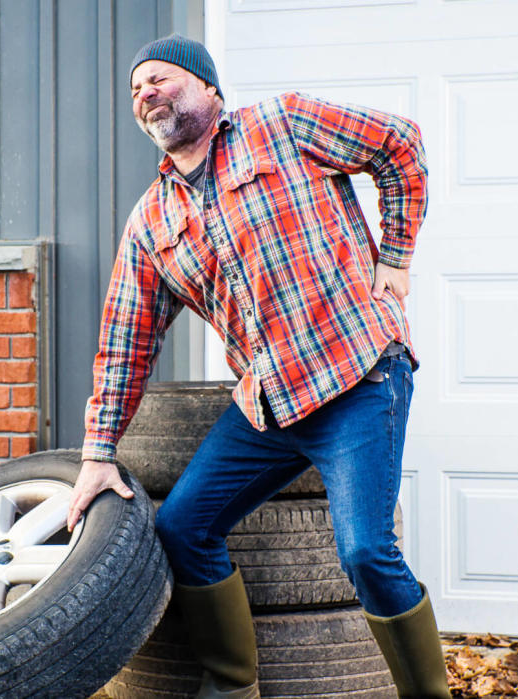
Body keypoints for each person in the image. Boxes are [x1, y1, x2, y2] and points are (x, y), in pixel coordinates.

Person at [66, 34, 450, 699]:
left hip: (358, 373)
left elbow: (401, 144)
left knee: (364, 550)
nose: (145, 92)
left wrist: (396, 255)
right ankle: (232, 688)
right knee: (183, 528)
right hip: (270, 400)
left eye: (160, 78)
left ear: (209, 88)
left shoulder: (284, 124)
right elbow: (126, 340)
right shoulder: (151, 222)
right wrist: (98, 451)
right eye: (135, 89)